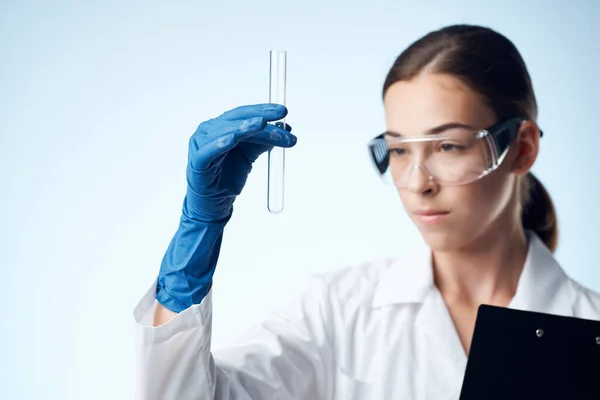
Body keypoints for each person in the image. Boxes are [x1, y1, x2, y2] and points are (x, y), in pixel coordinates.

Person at [133, 24, 600, 399]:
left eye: (448, 145)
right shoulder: (339, 311)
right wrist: (197, 239)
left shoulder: (589, 325)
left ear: (521, 149)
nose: (418, 182)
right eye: (397, 150)